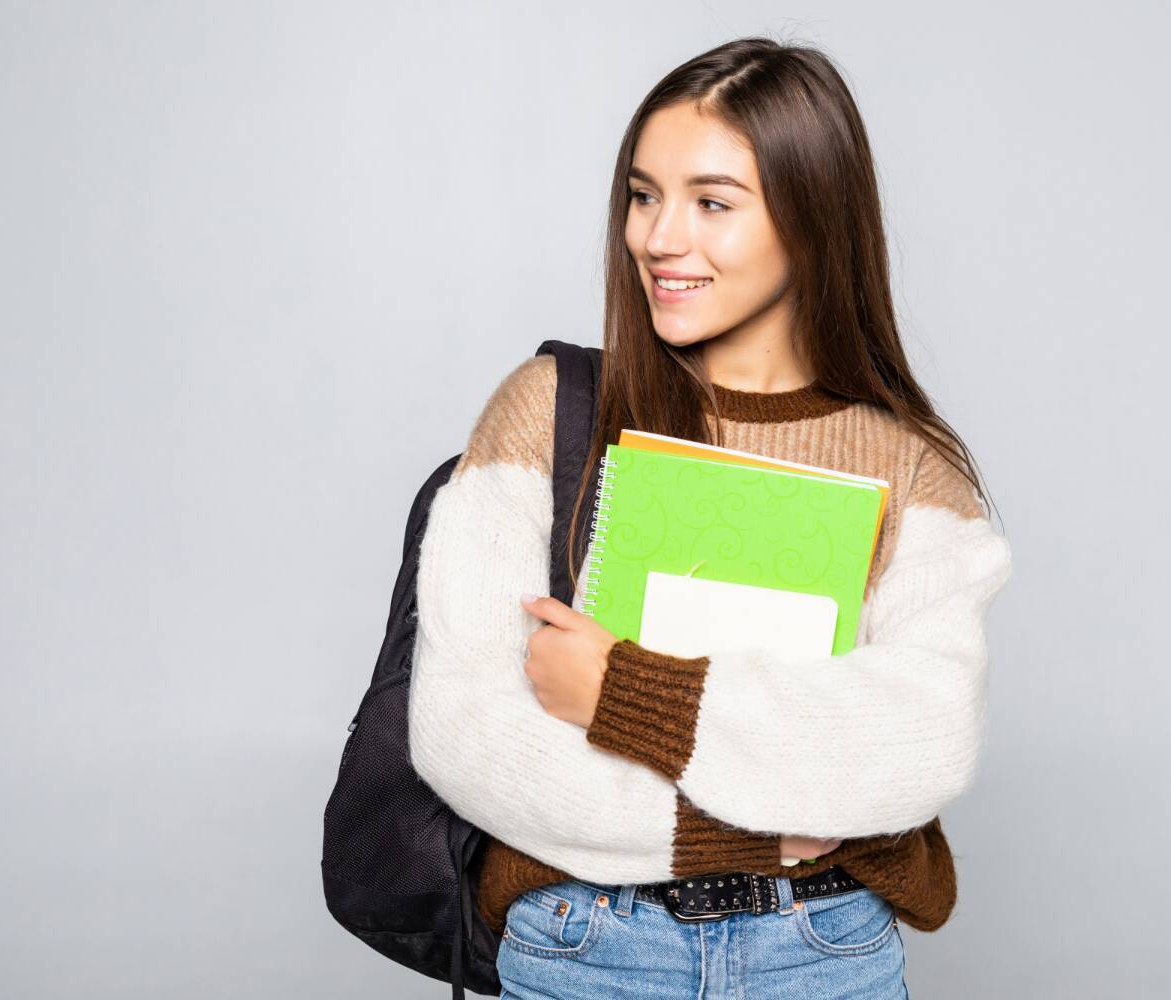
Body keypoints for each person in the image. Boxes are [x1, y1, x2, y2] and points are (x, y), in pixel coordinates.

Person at [406, 35, 1013, 1000]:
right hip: (585, 950)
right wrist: (749, 825)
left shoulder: (914, 468)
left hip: (824, 955)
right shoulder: (548, 413)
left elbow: (922, 738)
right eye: (643, 195)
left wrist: (623, 692)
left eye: (712, 203)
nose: (656, 237)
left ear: (813, 219)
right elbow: (464, 729)